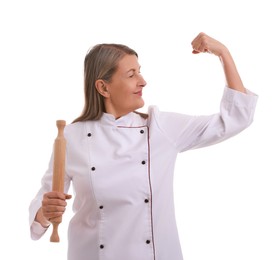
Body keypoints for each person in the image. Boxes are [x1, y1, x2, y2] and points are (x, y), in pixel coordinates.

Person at [29, 32, 258, 260]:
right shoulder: (71, 137)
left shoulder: (160, 128)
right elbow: (38, 220)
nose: (143, 81)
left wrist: (223, 54)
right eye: (131, 74)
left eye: (139, 71)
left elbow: (235, 119)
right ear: (103, 88)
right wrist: (45, 213)